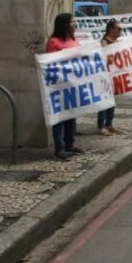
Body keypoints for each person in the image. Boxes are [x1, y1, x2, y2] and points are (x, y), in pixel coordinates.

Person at [46, 13, 84, 160]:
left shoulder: (74, 40)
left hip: (73, 84)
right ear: (64, 25)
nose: (75, 24)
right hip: (59, 86)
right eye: (72, 22)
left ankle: (70, 144)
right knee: (60, 118)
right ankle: (59, 148)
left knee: (71, 116)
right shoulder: (53, 42)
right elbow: (50, 64)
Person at [97, 19, 122, 136]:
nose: (120, 32)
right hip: (105, 76)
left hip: (113, 75)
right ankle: (101, 126)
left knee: (111, 102)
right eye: (118, 29)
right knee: (104, 102)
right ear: (111, 29)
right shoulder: (104, 42)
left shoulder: (118, 42)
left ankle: (109, 124)